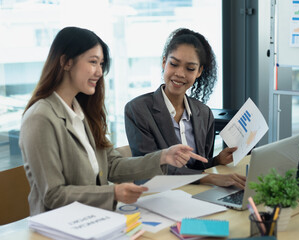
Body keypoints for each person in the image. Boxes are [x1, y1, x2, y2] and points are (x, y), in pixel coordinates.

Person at [19, 26, 208, 216]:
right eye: (93, 62)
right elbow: (53, 195)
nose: (100, 72)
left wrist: (163, 157)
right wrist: (113, 192)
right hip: (60, 225)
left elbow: (113, 166)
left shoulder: (83, 112)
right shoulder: (40, 118)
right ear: (66, 62)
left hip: (96, 218)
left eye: (101, 64)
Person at [124, 28, 246, 188]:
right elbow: (152, 169)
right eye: (174, 64)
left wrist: (216, 161)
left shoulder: (203, 113)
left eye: (190, 68)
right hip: (157, 194)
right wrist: (207, 178)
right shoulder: (138, 109)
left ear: (199, 71)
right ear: (163, 62)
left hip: (194, 193)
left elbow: (198, 166)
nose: (180, 73)